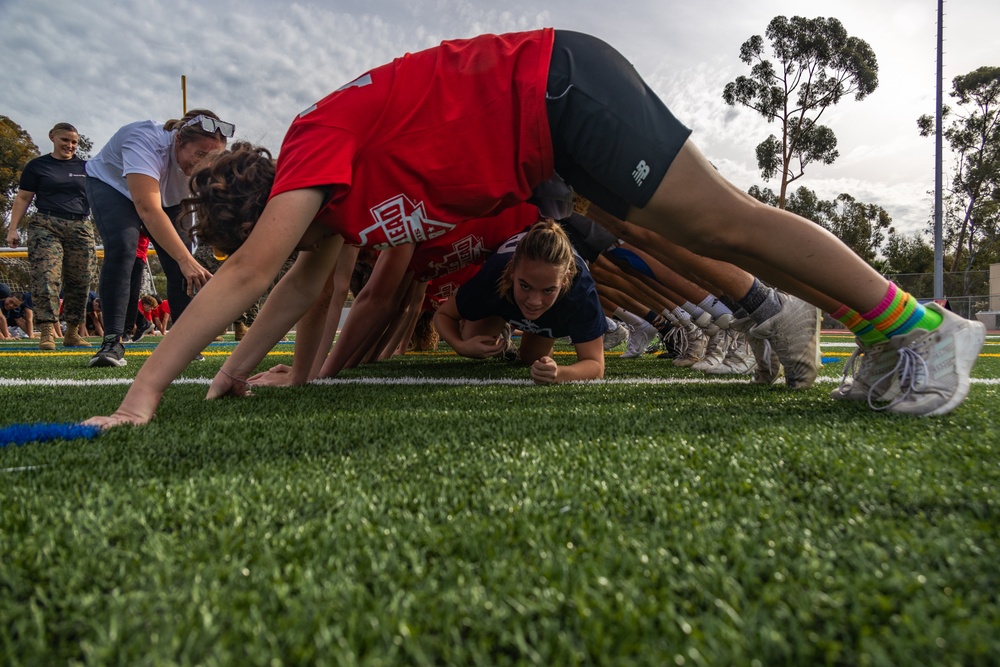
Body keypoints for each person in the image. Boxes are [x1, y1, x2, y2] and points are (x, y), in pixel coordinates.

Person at [84, 29, 984, 429]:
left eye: (273, 228)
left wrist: (147, 393)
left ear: (276, 194)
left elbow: (252, 275)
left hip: (557, 90)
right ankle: (879, 332)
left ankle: (923, 329)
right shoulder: (332, 211)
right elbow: (303, 288)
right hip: (543, 137)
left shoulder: (315, 141)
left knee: (724, 221)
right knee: (722, 228)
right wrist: (245, 376)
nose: (294, 241)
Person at [83, 109, 232, 367]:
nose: (203, 164)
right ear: (178, 140)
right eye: (199, 154)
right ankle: (112, 340)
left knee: (182, 264)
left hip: (167, 200)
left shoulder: (207, 167)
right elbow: (149, 210)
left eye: (212, 157)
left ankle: (185, 340)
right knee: (123, 246)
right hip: (114, 188)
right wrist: (185, 259)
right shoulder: (143, 138)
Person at [435, 220, 605, 384]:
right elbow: (443, 315)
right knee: (473, 341)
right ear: (512, 271)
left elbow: (596, 366)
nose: (534, 301)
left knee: (532, 359)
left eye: (548, 290)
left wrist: (559, 373)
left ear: (565, 280)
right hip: (503, 296)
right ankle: (502, 322)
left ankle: (519, 329)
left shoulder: (580, 289)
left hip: (546, 310)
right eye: (525, 286)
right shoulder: (495, 273)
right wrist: (460, 346)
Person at [4, 122, 95, 350]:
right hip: (46, 224)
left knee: (81, 279)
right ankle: (46, 332)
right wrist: (12, 228)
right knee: (46, 277)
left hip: (80, 225)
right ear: (53, 137)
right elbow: (23, 197)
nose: (70, 146)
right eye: (65, 140)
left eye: (74, 142)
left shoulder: (87, 167)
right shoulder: (37, 166)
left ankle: (72, 332)